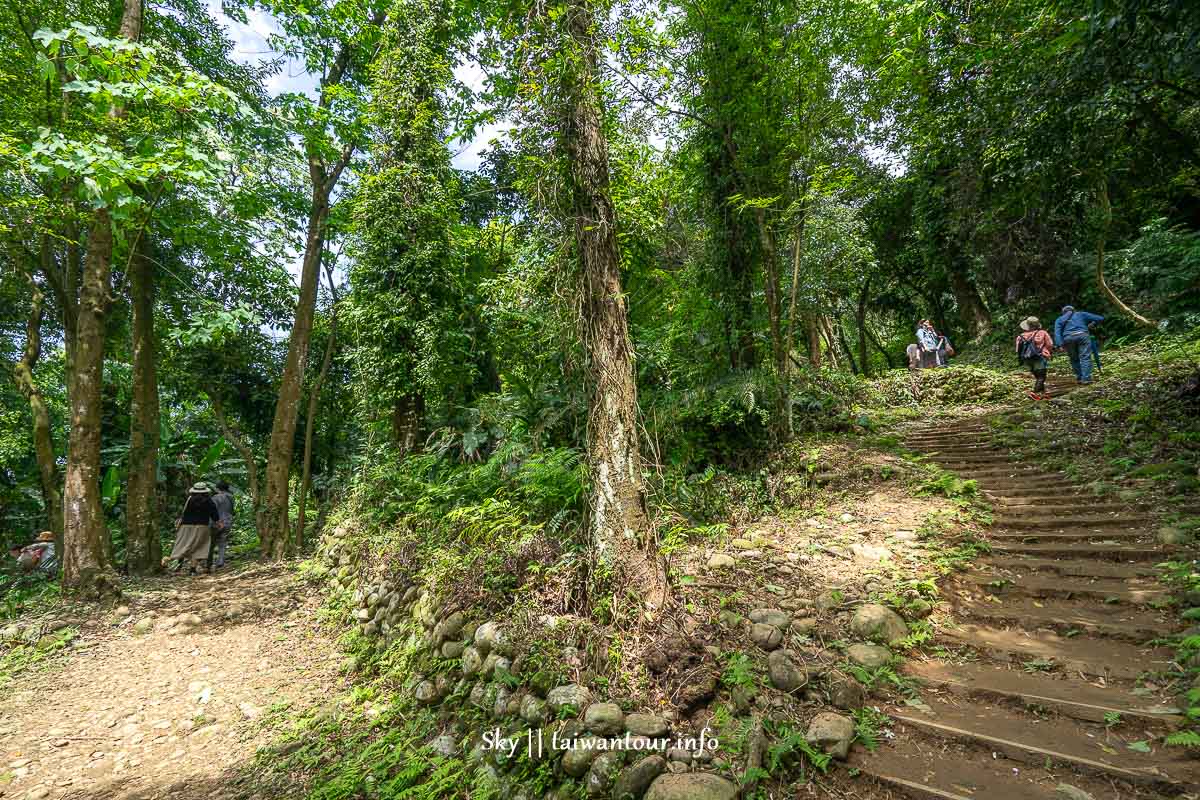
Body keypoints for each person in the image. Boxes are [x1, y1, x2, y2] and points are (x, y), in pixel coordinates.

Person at [171, 482, 218, 575]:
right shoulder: (209, 501)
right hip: (202, 526)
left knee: (182, 545)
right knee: (199, 548)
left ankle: (173, 563)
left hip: (186, 527)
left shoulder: (189, 499)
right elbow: (215, 516)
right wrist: (217, 522)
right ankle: (192, 570)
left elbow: (183, 512)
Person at [1053, 305, 1104, 385]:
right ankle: (1086, 379)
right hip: (1082, 335)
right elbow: (1100, 318)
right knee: (1085, 357)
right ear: (1074, 310)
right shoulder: (1081, 314)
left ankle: (1080, 378)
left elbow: (1057, 333)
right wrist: (1092, 324)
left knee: (1074, 359)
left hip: (1068, 338)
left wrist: (1060, 345)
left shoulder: (1059, 319)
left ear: (1063, 313)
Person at [1016, 316, 1054, 399]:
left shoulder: (1020, 336)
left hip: (1027, 359)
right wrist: (1048, 352)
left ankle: (1043, 394)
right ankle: (1034, 393)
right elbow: (1050, 344)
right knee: (1041, 377)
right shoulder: (1042, 333)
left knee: (1038, 377)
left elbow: (1017, 350)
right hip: (1039, 357)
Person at [207, 480, 236, 571]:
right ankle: (221, 561)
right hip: (227, 521)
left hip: (216, 523)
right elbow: (231, 510)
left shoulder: (215, 498)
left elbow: (212, 511)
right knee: (222, 542)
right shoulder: (231, 497)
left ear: (217, 488)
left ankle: (209, 562)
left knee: (211, 543)